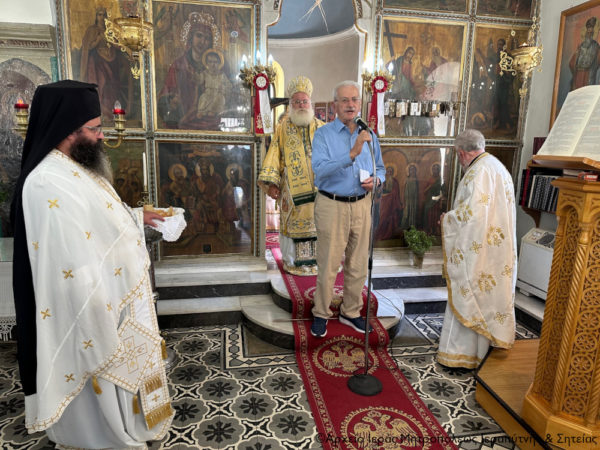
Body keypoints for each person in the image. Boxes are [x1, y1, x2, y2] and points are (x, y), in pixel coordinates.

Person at [10, 80, 173, 447]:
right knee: (97, 377)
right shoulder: (45, 182)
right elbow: (66, 257)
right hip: (87, 303)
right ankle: (101, 437)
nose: (102, 136)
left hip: (111, 294)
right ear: (69, 129)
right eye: (95, 128)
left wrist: (137, 216)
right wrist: (96, 307)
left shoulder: (75, 167)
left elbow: (98, 222)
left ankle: (124, 426)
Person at [310, 80, 385, 337]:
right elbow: (320, 170)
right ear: (335, 105)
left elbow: (381, 168)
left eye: (354, 99)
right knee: (329, 263)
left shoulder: (369, 134)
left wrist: (377, 180)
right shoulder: (323, 135)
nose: (350, 105)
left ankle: (351, 311)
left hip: (362, 204)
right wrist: (352, 153)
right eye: (344, 100)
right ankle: (321, 313)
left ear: (360, 103)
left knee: (358, 263)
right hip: (332, 205)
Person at [437, 129, 517, 369]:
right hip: (496, 250)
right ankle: (485, 350)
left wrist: (447, 220)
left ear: (461, 153)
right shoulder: (498, 167)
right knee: (489, 297)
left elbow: (472, 216)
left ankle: (461, 354)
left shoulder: (477, 173)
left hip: (479, 250)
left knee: (470, 291)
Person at [258, 76, 324, 275]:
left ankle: (320, 261)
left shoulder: (323, 128)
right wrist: (271, 184)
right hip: (291, 190)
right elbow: (274, 155)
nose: (301, 105)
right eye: (297, 101)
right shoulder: (283, 128)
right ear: (291, 104)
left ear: (310, 103)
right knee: (293, 224)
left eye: (304, 101)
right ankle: (293, 261)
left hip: (320, 189)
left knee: (320, 224)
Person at [158, 11, 217, 129]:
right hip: (183, 121)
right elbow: (166, 95)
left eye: (207, 38)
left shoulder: (215, 66)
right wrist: (172, 100)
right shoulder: (178, 65)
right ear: (191, 37)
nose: (202, 42)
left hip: (209, 121)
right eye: (199, 36)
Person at [80, 6, 130, 120]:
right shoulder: (92, 30)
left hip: (112, 60)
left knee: (112, 85)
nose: (102, 17)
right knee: (102, 82)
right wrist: (98, 40)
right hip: (98, 60)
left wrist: (120, 45)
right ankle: (100, 110)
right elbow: (88, 47)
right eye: (99, 15)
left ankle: (111, 112)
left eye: (104, 15)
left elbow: (117, 45)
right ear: (96, 17)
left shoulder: (110, 31)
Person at [196, 49, 233, 118]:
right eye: (210, 62)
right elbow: (199, 81)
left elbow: (229, 85)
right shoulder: (205, 73)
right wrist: (196, 77)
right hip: (208, 93)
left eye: (215, 62)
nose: (213, 64)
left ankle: (213, 111)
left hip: (218, 93)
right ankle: (202, 112)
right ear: (207, 63)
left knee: (220, 98)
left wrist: (223, 88)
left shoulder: (222, 74)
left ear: (219, 63)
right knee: (203, 98)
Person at [570, 17, 600, 90]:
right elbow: (572, 63)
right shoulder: (581, 46)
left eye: (591, 32)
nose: (589, 34)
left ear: (593, 33)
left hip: (588, 76)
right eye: (588, 32)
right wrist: (576, 57)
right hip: (578, 76)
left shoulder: (596, 46)